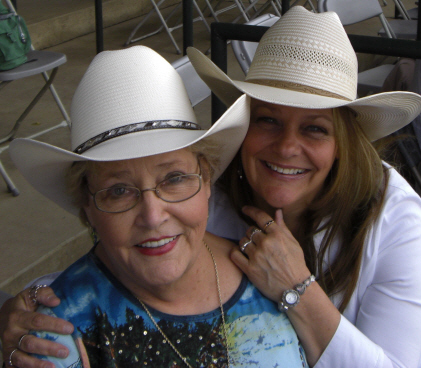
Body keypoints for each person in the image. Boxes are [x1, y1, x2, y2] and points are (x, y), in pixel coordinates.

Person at [1, 6, 421, 368]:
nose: (286, 147)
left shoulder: (392, 213)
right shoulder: (211, 184)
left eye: (315, 129)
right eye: (267, 120)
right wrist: (20, 309)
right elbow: (137, 254)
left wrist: (297, 290)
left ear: (344, 144)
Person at [0, 45, 310, 368]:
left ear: (205, 180)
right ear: (87, 206)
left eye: (174, 178)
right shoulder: (55, 334)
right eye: (119, 190)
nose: (152, 215)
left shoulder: (274, 273)